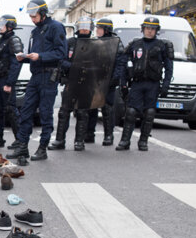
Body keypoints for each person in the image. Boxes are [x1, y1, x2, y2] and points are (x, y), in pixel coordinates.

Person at [7, 0, 67, 161]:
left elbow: (61, 53)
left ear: (42, 13)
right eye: (30, 16)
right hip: (35, 76)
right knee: (26, 111)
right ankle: (22, 147)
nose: (32, 19)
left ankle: (42, 148)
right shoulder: (34, 32)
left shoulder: (56, 27)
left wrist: (41, 56)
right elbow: (34, 55)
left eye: (34, 16)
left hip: (49, 76)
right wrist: (24, 58)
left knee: (46, 114)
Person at [116, 16, 173, 151]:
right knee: (130, 112)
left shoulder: (162, 46)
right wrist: (123, 84)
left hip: (153, 84)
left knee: (150, 113)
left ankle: (143, 141)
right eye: (147, 28)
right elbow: (124, 64)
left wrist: (166, 85)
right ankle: (125, 141)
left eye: (153, 29)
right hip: (137, 83)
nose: (150, 31)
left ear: (156, 31)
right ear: (143, 29)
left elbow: (169, 67)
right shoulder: (135, 44)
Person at [48, 17, 92, 151]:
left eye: (87, 26)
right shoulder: (69, 43)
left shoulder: (95, 44)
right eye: (82, 26)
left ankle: (79, 141)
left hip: (86, 83)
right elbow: (61, 59)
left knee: (82, 113)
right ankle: (60, 140)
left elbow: (99, 63)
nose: (84, 29)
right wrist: (74, 66)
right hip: (70, 81)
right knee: (64, 112)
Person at [0, 14, 23, 148]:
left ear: (10, 26)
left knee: (11, 109)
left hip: (6, 79)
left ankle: (20, 140)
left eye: (3, 24)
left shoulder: (14, 40)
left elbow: (17, 64)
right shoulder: (2, 39)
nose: (0, 26)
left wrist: (9, 83)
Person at [94, 17, 126, 146]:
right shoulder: (95, 42)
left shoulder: (116, 43)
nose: (97, 30)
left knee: (107, 108)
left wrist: (114, 79)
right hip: (95, 80)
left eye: (99, 28)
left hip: (109, 80)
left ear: (106, 30)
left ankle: (109, 135)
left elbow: (120, 64)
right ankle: (88, 134)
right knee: (90, 108)